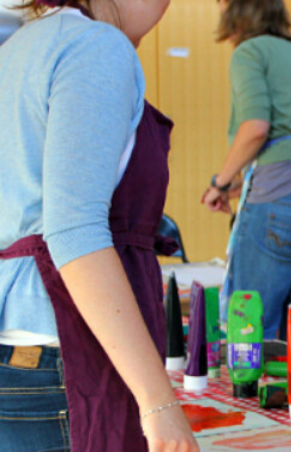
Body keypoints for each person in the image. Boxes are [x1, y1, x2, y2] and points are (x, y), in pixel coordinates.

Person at [0, 1, 198, 451]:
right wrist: (158, 402)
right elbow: (75, 234)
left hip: (20, 348)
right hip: (64, 350)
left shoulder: (16, 48)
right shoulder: (95, 46)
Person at [202, 0, 291, 354]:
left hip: (283, 202)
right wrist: (241, 183)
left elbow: (255, 128)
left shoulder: (248, 52)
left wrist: (220, 183)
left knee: (251, 324)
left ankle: (247, 407)